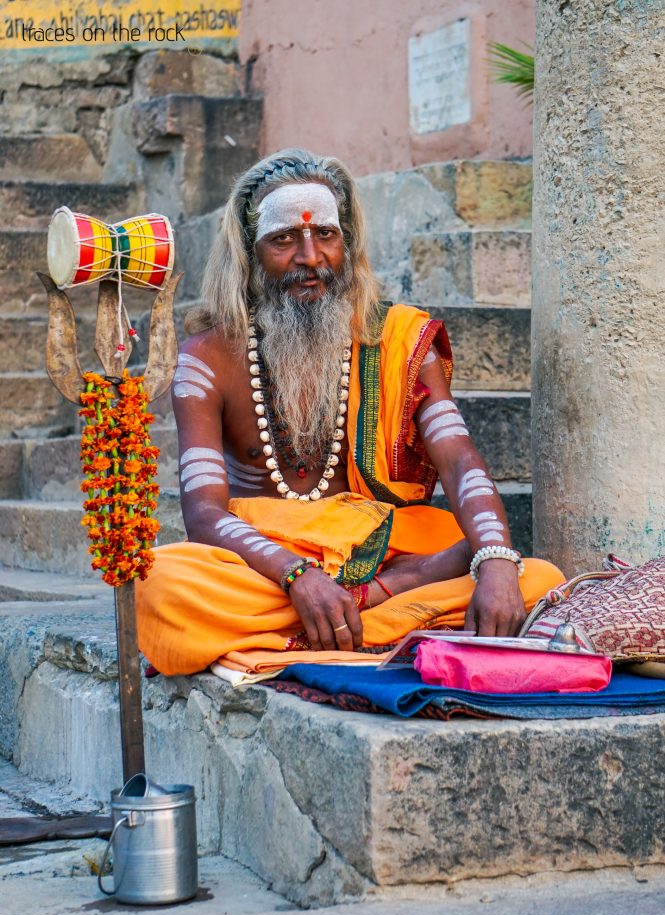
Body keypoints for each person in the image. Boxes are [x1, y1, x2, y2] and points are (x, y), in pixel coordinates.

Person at [136, 148, 563, 676]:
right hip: (270, 568)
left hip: (387, 553)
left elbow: (458, 462)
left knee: (534, 577)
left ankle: (339, 618)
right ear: (250, 252)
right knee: (162, 584)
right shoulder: (206, 359)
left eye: (326, 236)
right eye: (284, 239)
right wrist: (299, 577)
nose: (310, 257)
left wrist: (496, 559)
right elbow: (203, 514)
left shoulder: (400, 340)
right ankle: (379, 616)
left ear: (348, 243)